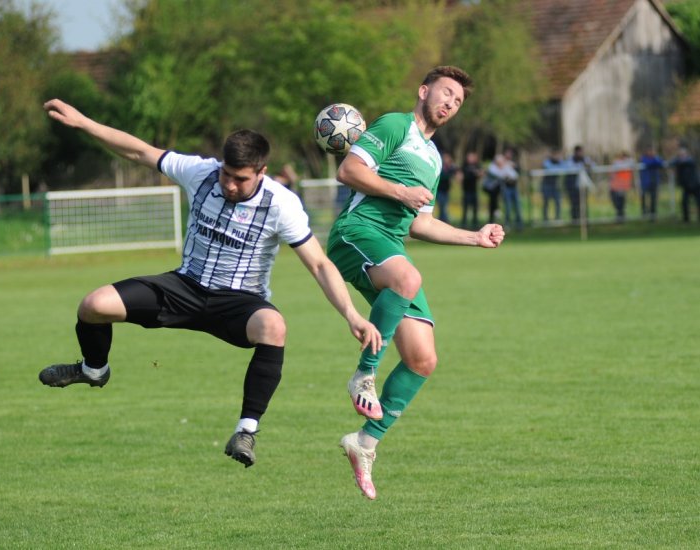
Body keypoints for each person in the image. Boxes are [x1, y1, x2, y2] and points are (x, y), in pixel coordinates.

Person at [38, 99, 381, 469]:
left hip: (239, 302)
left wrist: (352, 314)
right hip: (184, 286)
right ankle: (93, 370)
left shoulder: (282, 204)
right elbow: (139, 151)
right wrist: (84, 122)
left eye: (241, 178)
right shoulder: (200, 172)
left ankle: (246, 431)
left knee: (274, 326)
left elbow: (318, 263)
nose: (231, 184)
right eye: (226, 175)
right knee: (94, 305)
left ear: (262, 171)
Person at [325, 66, 505, 500]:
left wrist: (474, 237)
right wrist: (398, 191)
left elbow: (420, 225)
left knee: (423, 359)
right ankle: (363, 376)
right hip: (358, 232)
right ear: (424, 91)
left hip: (391, 247)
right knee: (408, 276)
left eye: (458, 101)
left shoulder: (435, 158)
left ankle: (364, 443)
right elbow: (348, 172)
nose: (450, 103)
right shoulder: (395, 125)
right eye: (446, 93)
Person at [483, 154, 517, 224]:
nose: (500, 163)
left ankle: (497, 215)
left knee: (497, 202)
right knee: (493, 202)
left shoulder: (505, 166)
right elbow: (498, 175)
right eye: (498, 162)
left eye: (501, 162)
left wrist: (508, 167)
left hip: (498, 189)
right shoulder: (492, 167)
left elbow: (514, 176)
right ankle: (492, 217)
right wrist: (506, 169)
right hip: (490, 189)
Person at [670, 147, 700, 222]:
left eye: (683, 154)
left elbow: (685, 162)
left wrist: (678, 161)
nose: (681, 156)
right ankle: (686, 219)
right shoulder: (679, 161)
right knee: (684, 202)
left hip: (695, 186)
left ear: (686, 154)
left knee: (698, 201)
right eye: (680, 154)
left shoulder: (690, 161)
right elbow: (672, 163)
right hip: (686, 187)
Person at [564, 145, 592, 221]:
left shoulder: (586, 159)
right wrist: (583, 166)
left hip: (582, 186)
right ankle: (575, 220)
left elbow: (591, 166)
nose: (581, 153)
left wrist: (586, 166)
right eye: (579, 152)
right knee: (574, 203)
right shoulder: (570, 159)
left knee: (583, 203)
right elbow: (570, 168)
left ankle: (584, 219)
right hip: (572, 186)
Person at [639, 146, 664, 220]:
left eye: (652, 151)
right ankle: (644, 213)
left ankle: (653, 215)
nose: (651, 153)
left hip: (654, 182)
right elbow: (648, 163)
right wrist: (654, 162)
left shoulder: (656, 157)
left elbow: (660, 162)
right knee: (644, 197)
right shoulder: (643, 158)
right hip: (646, 182)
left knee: (653, 198)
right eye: (649, 151)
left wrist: (655, 160)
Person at [609, 151, 635, 222]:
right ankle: (620, 216)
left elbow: (631, 164)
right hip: (616, 186)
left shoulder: (628, 162)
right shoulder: (617, 162)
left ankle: (621, 217)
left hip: (622, 186)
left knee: (621, 202)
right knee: (617, 202)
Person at [501, 147, 523, 230]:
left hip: (514, 188)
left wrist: (515, 166)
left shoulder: (513, 163)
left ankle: (519, 225)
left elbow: (519, 171)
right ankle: (507, 225)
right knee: (508, 207)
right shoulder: (502, 163)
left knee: (517, 207)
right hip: (506, 187)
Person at [460, 151, 482, 228]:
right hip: (466, 190)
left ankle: (475, 224)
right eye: (469, 157)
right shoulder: (464, 166)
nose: (470, 158)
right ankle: (464, 224)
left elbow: (481, 174)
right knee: (465, 208)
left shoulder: (477, 166)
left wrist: (479, 173)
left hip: (474, 190)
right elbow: (460, 176)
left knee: (475, 208)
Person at [541, 149, 564, 221]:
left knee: (558, 202)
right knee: (546, 203)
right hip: (546, 185)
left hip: (555, 186)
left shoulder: (560, 162)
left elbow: (565, 167)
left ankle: (557, 218)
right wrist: (558, 168)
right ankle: (545, 219)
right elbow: (549, 168)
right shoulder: (547, 162)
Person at [435, 152, 458, 223]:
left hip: (446, 190)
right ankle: (442, 220)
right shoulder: (440, 167)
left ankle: (443, 220)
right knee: (442, 206)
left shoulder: (449, 167)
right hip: (440, 190)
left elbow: (455, 172)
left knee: (444, 206)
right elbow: (442, 176)